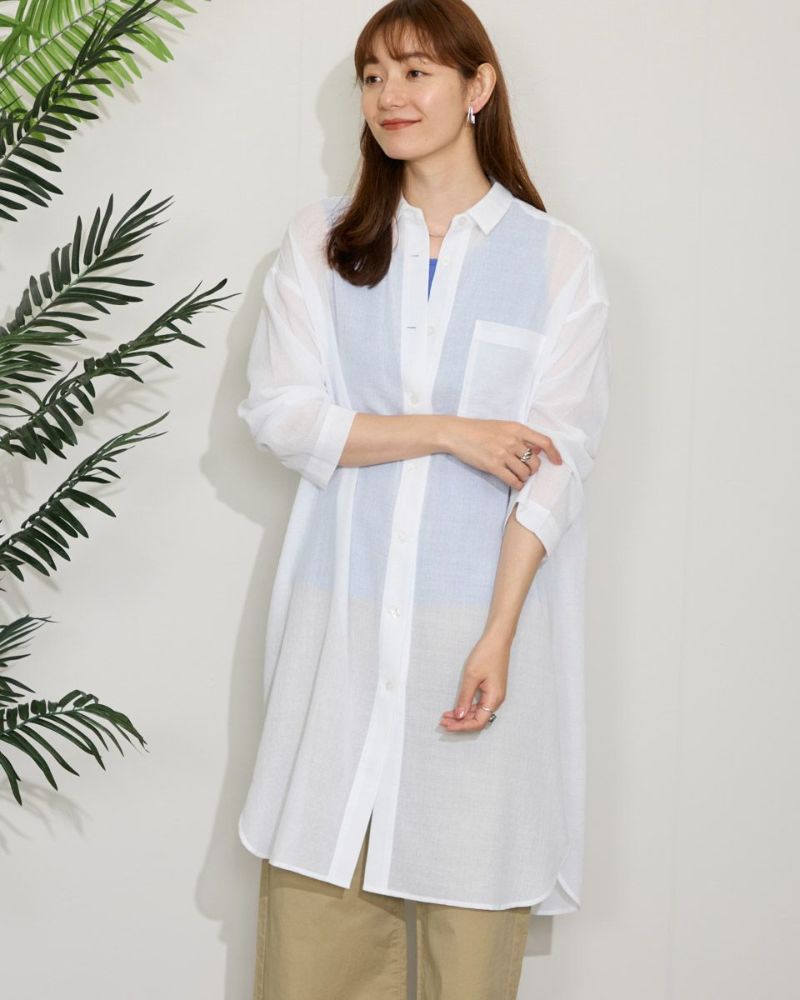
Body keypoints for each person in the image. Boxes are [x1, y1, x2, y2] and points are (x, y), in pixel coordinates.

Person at [236, 0, 611, 997]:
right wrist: (451, 430)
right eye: (372, 75)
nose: (389, 96)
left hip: (472, 650)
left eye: (415, 73)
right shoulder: (323, 242)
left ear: (477, 87)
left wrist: (498, 635)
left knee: (468, 950)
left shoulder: (556, 261)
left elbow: (555, 469)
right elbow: (282, 414)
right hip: (341, 645)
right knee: (312, 949)